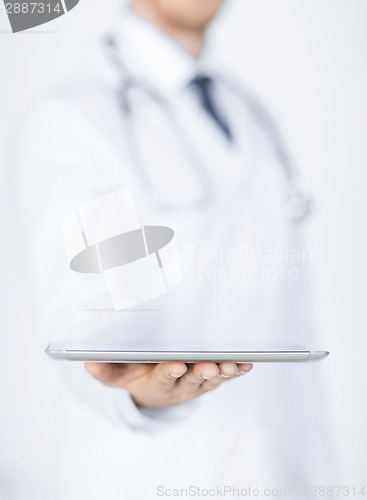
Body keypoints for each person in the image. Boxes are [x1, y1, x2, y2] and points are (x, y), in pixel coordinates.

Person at [15, 0, 335, 497]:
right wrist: (140, 388)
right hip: (153, 474)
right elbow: (84, 314)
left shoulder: (252, 113)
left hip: (280, 472)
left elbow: (286, 311)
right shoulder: (75, 118)